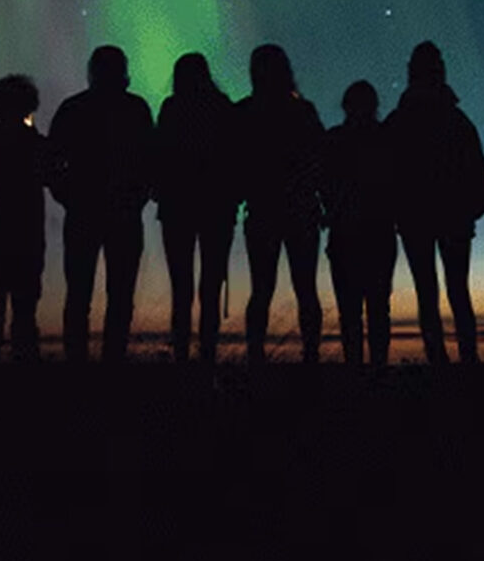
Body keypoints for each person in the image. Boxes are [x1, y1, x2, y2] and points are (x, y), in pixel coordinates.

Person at [385, 42, 484, 365]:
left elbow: (386, 173)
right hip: (443, 218)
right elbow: (478, 172)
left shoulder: (400, 120)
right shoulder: (456, 119)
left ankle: (442, 359)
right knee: (454, 291)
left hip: (426, 218)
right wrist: (472, 209)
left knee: (432, 293)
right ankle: (462, 360)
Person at [48, 46, 153, 364]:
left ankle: (77, 363)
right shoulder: (136, 109)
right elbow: (151, 159)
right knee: (120, 295)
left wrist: (67, 196)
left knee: (79, 293)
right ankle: (113, 362)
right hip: (123, 212)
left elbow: (52, 162)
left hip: (84, 211)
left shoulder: (73, 108)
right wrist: (139, 196)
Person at [236, 44, 325, 366]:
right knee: (305, 289)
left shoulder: (244, 111)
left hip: (263, 210)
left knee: (262, 290)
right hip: (300, 210)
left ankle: (256, 357)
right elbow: (320, 160)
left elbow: (234, 163)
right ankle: (310, 356)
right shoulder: (303, 111)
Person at [155, 53, 238, 366]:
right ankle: (207, 359)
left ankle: (182, 359)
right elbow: (235, 157)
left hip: (177, 208)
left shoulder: (172, 108)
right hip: (216, 207)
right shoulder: (223, 107)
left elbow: (159, 155)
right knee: (210, 288)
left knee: (182, 289)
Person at [321, 80, 397, 372]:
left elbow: (323, 184)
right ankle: (376, 372)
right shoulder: (385, 138)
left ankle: (357, 372)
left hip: (350, 234)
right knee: (377, 309)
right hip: (375, 233)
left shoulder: (335, 139)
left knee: (352, 311)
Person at [0, 74, 47, 365]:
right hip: (28, 233)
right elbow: (50, 172)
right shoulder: (38, 144)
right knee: (25, 306)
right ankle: (25, 367)